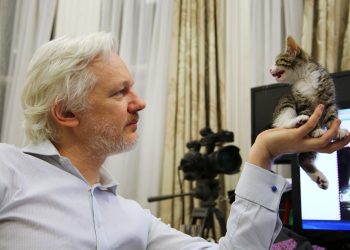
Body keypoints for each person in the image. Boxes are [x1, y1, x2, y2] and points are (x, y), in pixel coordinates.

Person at [0, 32, 349, 250]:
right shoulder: (9, 171)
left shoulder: (134, 220)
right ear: (67, 114)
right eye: (121, 92)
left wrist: (265, 151)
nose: (140, 102)